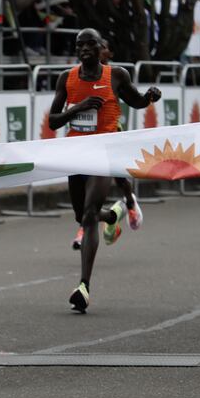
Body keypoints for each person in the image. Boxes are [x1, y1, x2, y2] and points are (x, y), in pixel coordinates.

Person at [48, 28, 161, 313]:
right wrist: (79, 108)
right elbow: (53, 121)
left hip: (104, 153)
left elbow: (136, 101)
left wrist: (150, 96)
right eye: (80, 45)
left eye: (90, 44)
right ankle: (113, 215)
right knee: (81, 215)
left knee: (88, 216)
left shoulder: (116, 75)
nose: (85, 49)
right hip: (76, 154)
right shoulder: (67, 78)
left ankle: (83, 287)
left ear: (101, 48)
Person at [70, 39, 143, 250]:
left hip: (110, 133)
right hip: (85, 139)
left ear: (107, 53)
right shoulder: (79, 74)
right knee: (84, 181)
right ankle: (87, 225)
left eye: (101, 47)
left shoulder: (114, 75)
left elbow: (134, 99)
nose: (96, 51)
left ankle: (129, 202)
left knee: (118, 178)